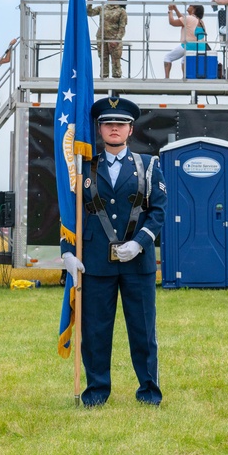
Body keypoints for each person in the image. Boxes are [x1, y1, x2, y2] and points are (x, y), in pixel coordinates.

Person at [61, 96, 166, 407]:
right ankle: (96, 392)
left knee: (143, 330)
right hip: (95, 262)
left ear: (130, 129)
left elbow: (158, 211)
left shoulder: (148, 166)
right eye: (108, 123)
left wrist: (140, 242)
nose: (114, 128)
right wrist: (68, 250)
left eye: (120, 124)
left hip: (138, 262)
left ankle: (149, 390)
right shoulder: (83, 167)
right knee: (95, 331)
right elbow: (70, 212)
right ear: (100, 128)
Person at [87, 0, 129, 78]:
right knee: (103, 59)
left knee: (115, 61)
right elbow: (89, 13)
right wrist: (90, 2)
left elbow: (122, 28)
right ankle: (104, 78)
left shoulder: (121, 11)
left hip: (114, 39)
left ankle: (116, 82)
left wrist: (116, 40)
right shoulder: (103, 7)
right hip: (102, 38)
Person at [163, 4, 207, 78]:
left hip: (189, 45)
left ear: (194, 9)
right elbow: (182, 19)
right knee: (184, 60)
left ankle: (167, 78)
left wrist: (170, 10)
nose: (188, 6)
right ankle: (185, 77)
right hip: (200, 47)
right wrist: (176, 10)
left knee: (168, 57)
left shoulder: (189, 19)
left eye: (190, 5)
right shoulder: (200, 21)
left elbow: (172, 22)